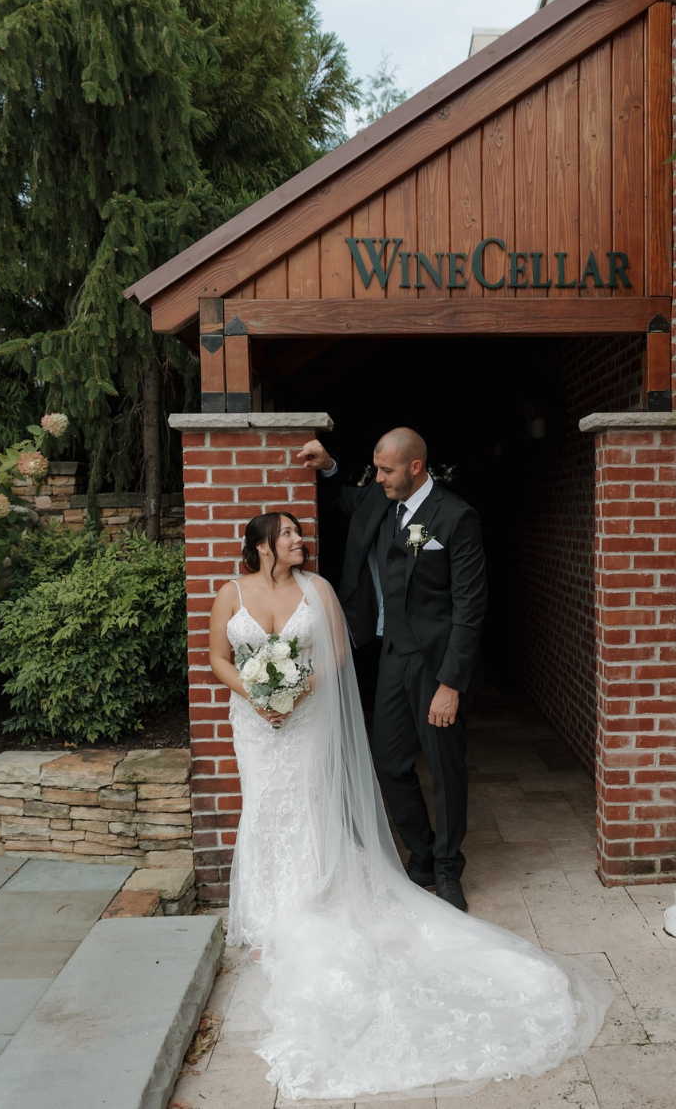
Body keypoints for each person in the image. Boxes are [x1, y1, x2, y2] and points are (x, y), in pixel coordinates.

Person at [208, 510, 612, 1101]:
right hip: (254, 723)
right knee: (265, 804)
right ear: (262, 545)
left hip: (305, 718)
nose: (300, 539)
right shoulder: (230, 593)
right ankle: (270, 910)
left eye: (298, 531)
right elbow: (218, 658)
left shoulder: (319, 591)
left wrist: (291, 694)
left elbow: (338, 657)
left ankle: (310, 897)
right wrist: (258, 693)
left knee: (308, 803)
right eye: (288, 533)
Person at [298, 428, 485, 914]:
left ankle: (447, 868)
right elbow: (345, 498)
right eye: (376, 469)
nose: (378, 478)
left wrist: (451, 683)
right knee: (388, 761)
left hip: (437, 663)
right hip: (391, 656)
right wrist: (328, 465)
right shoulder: (380, 500)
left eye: (386, 470)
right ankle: (422, 853)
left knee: (444, 766)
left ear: (415, 468)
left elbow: (470, 608)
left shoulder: (456, 517)